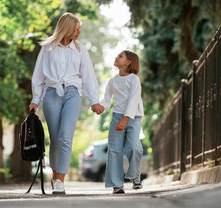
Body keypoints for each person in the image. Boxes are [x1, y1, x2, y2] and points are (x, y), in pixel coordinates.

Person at [29, 12, 103, 195]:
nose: (78, 33)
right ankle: (55, 179)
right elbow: (38, 76)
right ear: (67, 28)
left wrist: (94, 100)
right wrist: (35, 100)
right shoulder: (47, 48)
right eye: (76, 29)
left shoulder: (80, 50)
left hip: (73, 94)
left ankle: (60, 181)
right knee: (54, 139)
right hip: (51, 93)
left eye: (79, 29)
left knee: (65, 137)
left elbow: (88, 77)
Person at [93, 50, 144, 194]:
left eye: (120, 56)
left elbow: (133, 100)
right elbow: (107, 100)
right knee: (114, 150)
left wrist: (125, 119)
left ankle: (135, 175)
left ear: (128, 62)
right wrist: (101, 107)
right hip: (117, 117)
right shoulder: (112, 81)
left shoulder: (134, 79)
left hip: (133, 117)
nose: (116, 57)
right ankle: (117, 184)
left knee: (133, 146)